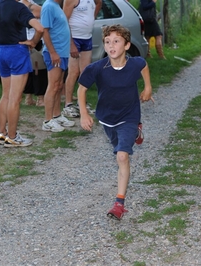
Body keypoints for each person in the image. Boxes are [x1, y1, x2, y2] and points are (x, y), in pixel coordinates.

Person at [77, 24, 153, 220]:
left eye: (116, 41)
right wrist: (84, 114)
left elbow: (144, 66)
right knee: (118, 148)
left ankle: (119, 203)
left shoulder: (134, 63)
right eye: (107, 42)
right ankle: (131, 136)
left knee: (121, 156)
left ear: (127, 45)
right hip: (107, 119)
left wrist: (148, 88)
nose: (111, 45)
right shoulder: (97, 68)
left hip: (129, 116)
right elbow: (81, 89)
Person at [0, 0, 44, 147]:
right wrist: (33, 42)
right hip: (17, 51)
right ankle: (12, 137)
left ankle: (2, 133)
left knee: (6, 95)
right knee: (15, 98)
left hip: (1, 51)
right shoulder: (20, 8)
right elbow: (40, 28)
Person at [61, 0, 102, 118]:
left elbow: (99, 3)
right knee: (73, 72)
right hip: (75, 37)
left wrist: (92, 18)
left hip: (87, 37)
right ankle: (68, 104)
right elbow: (64, 21)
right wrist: (71, 44)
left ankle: (81, 102)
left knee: (85, 72)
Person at [41, 0, 75, 132]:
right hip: (55, 52)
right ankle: (48, 120)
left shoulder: (57, 6)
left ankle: (56, 115)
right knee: (53, 85)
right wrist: (52, 52)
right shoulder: (48, 6)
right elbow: (44, 31)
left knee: (59, 85)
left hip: (62, 52)